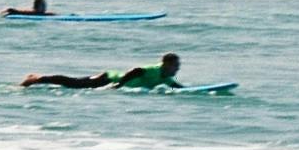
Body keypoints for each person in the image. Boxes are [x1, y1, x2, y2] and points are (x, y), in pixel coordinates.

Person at [26, 52, 184, 92]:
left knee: (74, 84)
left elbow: (177, 87)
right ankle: (37, 79)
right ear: (166, 64)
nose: (177, 68)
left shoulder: (166, 78)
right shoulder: (154, 69)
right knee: (74, 84)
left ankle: (38, 79)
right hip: (108, 79)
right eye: (175, 66)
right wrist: (118, 84)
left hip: (111, 81)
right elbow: (136, 71)